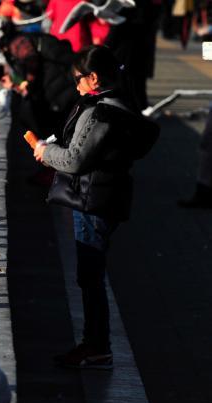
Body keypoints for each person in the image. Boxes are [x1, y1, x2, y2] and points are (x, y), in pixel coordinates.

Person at [33, 45, 158, 370]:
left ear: (92, 77)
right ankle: (95, 344)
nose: (75, 86)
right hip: (109, 196)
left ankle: (96, 346)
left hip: (92, 200)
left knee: (90, 276)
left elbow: (74, 160)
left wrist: (44, 152)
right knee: (92, 274)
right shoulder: (125, 103)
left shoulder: (99, 112)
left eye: (77, 79)